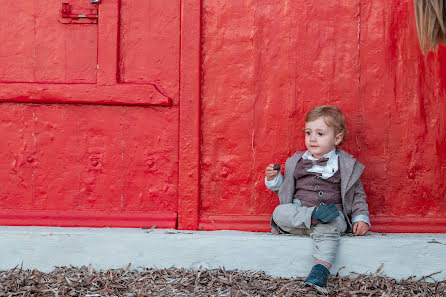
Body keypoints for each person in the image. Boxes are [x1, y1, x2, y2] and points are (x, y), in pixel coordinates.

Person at [264, 105, 370, 287]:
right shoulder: (296, 161)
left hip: (332, 215)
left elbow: (358, 195)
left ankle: (320, 270)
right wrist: (273, 179)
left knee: (330, 226)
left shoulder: (345, 165)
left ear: (337, 138)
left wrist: (361, 218)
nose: (312, 139)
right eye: (308, 133)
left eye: (320, 134)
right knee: (279, 212)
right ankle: (313, 216)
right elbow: (285, 189)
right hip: (301, 213)